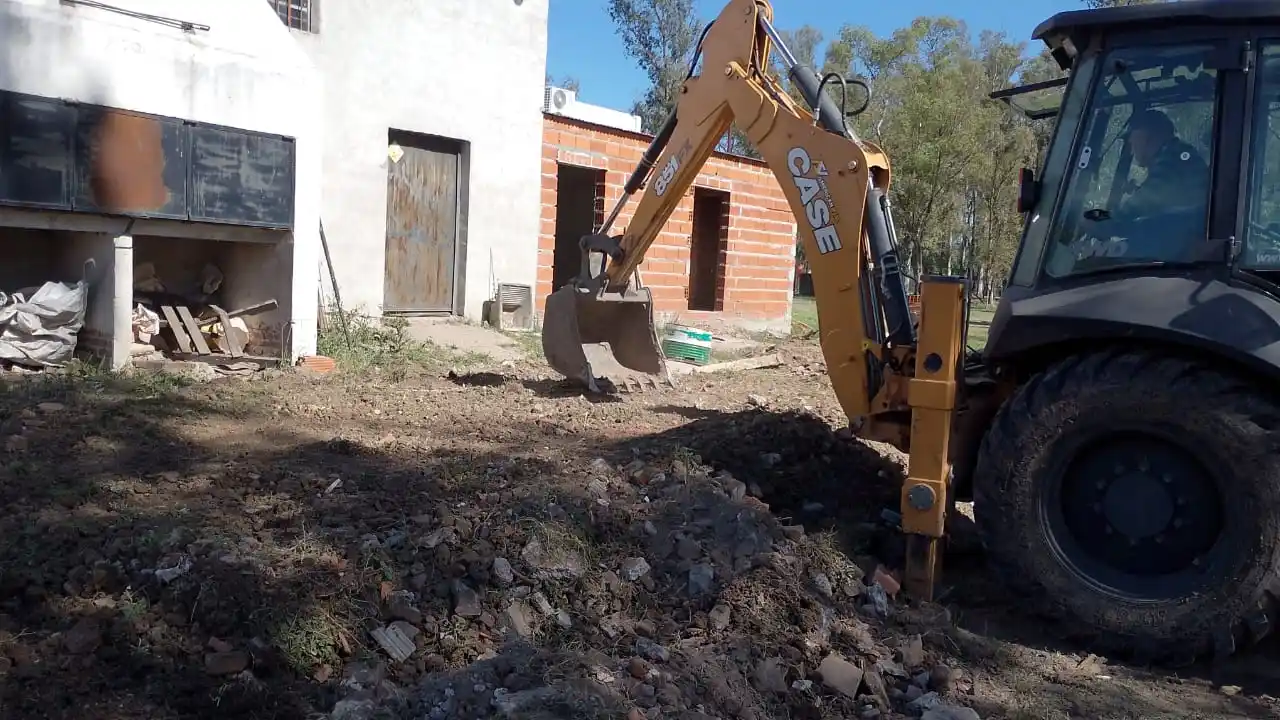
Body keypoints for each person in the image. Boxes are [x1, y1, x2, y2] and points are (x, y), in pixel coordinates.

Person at [1119, 109, 1210, 222]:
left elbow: (1147, 198)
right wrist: (1137, 190)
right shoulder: (1175, 154)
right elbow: (1167, 197)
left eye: (1131, 135)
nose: (1130, 142)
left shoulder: (1174, 156)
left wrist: (1109, 219)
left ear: (1145, 136)